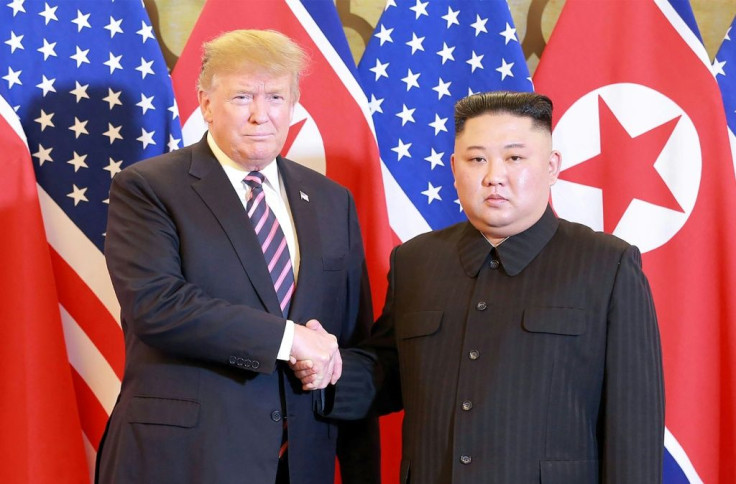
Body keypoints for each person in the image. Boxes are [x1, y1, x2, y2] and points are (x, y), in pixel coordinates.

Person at [295, 91, 665, 483]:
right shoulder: (416, 261)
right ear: (455, 168)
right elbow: (388, 374)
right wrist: (324, 369)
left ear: (553, 166)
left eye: (515, 158)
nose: (494, 176)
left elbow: (634, 428)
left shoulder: (607, 265)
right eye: (477, 159)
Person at [96, 29, 378, 484]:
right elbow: (158, 307)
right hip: (188, 459)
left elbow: (349, 341)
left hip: (303, 462)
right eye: (242, 96)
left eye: (276, 98)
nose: (261, 116)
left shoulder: (331, 201)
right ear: (206, 104)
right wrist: (290, 339)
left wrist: (361, 468)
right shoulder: (149, 188)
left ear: (293, 107)